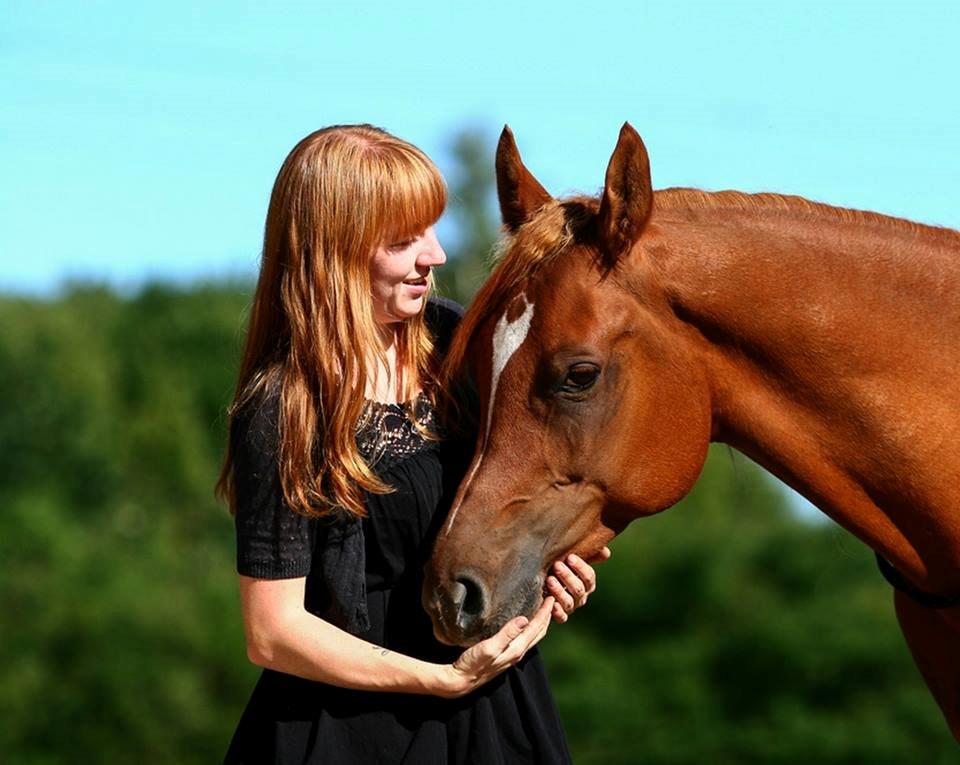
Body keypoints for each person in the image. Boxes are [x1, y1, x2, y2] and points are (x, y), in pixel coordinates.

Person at [216, 124, 609, 764]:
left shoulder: (460, 342)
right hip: (345, 733)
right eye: (404, 241)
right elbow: (273, 632)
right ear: (333, 251)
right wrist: (442, 679)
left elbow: (526, 488)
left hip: (496, 713)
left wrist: (552, 560)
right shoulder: (284, 408)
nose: (435, 256)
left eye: (431, 230)